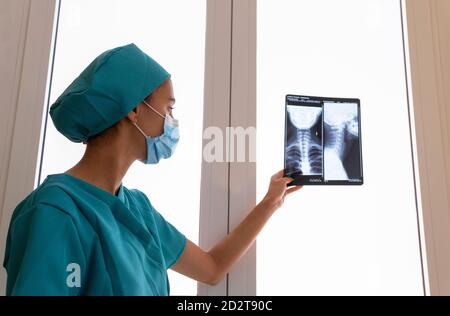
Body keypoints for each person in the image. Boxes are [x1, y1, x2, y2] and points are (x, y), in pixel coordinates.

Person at [3, 43, 302, 295]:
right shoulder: (55, 212)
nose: (172, 121)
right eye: (169, 108)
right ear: (133, 110)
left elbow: (211, 268)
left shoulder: (137, 209)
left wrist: (271, 202)